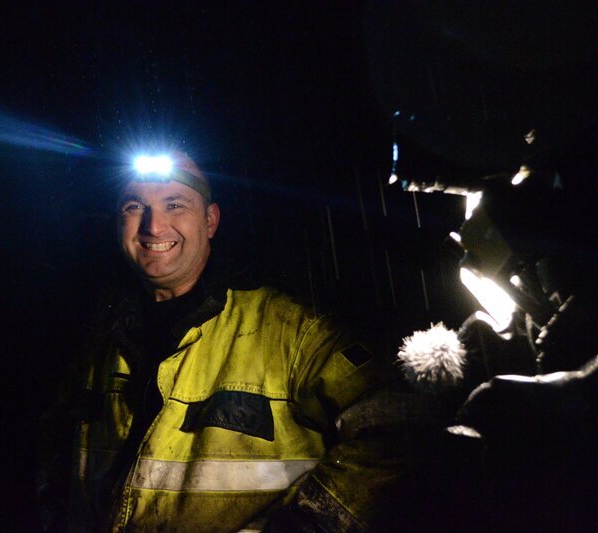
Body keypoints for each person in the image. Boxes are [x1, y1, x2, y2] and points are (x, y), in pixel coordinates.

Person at [38, 152, 409, 532]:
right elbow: (55, 448)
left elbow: (400, 425)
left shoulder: (289, 330)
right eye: (135, 207)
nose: (154, 226)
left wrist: (309, 524)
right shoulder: (100, 332)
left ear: (210, 220)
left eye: (174, 205)